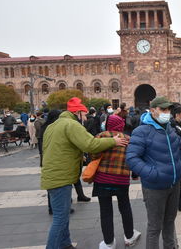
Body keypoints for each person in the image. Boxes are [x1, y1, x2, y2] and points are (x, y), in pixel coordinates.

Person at [41, 97, 127, 249]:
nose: (86, 118)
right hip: (60, 177)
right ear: (78, 112)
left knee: (63, 215)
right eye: (85, 114)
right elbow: (90, 144)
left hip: (52, 174)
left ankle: (65, 244)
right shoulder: (71, 124)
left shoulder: (53, 125)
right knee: (60, 218)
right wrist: (113, 141)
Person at [126, 96, 181, 249]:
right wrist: (152, 174)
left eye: (168, 110)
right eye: (163, 109)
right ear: (152, 111)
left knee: (170, 223)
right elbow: (131, 158)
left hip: (174, 183)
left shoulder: (170, 129)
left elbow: (180, 148)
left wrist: (180, 165)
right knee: (154, 227)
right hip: (154, 187)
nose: (167, 112)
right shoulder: (142, 131)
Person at [92, 115, 141, 249]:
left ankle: (109, 243)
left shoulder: (100, 136)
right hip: (121, 180)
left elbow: (93, 154)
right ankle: (129, 237)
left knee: (105, 211)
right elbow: (133, 159)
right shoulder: (127, 139)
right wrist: (135, 174)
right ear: (121, 125)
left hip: (102, 179)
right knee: (125, 207)